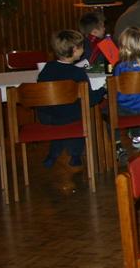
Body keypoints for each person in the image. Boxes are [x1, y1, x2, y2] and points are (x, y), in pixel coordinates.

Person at [36, 30, 106, 168]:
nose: (84, 49)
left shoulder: (47, 68)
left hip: (48, 116)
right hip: (70, 116)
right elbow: (90, 99)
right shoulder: (77, 72)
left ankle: (52, 155)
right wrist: (103, 89)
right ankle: (75, 155)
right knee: (81, 112)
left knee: (61, 118)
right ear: (74, 50)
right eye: (82, 46)